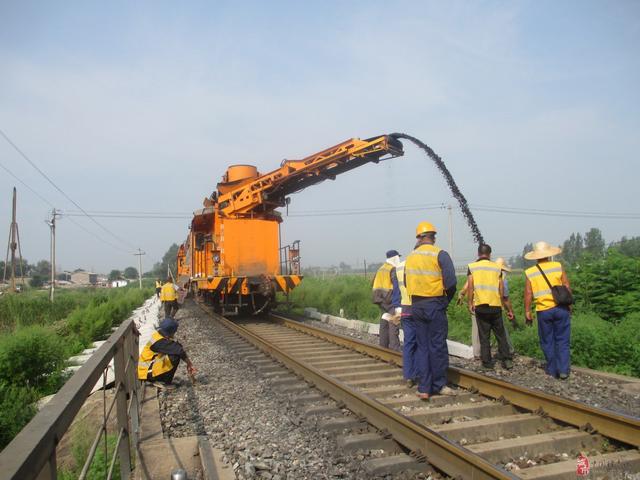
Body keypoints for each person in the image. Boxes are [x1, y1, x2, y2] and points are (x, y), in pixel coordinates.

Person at [405, 222, 457, 400]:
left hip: (416, 305)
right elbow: (450, 283)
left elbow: (406, 281)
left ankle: (424, 387)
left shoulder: (410, 257)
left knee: (422, 346)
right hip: (435, 304)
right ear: (433, 237)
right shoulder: (440, 254)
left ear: (419, 237)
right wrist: (445, 301)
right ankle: (439, 385)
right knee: (437, 345)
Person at [524, 241, 572, 380]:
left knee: (547, 341)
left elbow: (528, 293)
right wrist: (569, 306)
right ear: (549, 254)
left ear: (535, 256)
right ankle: (563, 370)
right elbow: (567, 286)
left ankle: (552, 370)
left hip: (543, 311)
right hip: (561, 308)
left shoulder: (530, 272)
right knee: (562, 340)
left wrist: (527, 311)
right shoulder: (557, 266)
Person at [467, 245, 513, 370]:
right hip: (495, 305)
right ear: (490, 254)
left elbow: (470, 286)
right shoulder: (497, 268)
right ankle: (507, 360)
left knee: (484, 335)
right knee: (500, 334)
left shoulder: (472, 267)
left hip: (481, 305)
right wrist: (504, 305)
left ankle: (487, 363)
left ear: (478, 253)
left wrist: (470, 303)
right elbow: (501, 288)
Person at [137, 318, 196, 389]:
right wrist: (189, 364)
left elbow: (176, 346)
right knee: (174, 356)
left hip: (146, 370)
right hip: (146, 373)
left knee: (173, 352)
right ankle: (162, 381)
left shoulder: (158, 335)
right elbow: (179, 350)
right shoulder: (160, 342)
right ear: (170, 332)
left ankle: (161, 379)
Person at [372, 250, 402, 351]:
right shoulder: (393, 269)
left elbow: (373, 282)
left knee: (384, 321)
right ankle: (394, 349)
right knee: (394, 322)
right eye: (398, 257)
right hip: (390, 300)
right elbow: (396, 287)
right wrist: (398, 304)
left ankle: (383, 346)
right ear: (395, 258)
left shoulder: (381, 268)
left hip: (380, 300)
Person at [396, 259, 418, 387]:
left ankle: (409, 376)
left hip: (405, 308)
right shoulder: (418, 263)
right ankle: (420, 374)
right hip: (419, 308)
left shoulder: (399, 266)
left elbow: (397, 290)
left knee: (409, 343)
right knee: (421, 342)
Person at [495, 257, 517, 356]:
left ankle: (501, 350)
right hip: (498, 308)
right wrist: (510, 311)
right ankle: (509, 349)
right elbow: (506, 299)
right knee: (502, 330)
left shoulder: (489, 276)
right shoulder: (503, 280)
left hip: (486, 306)